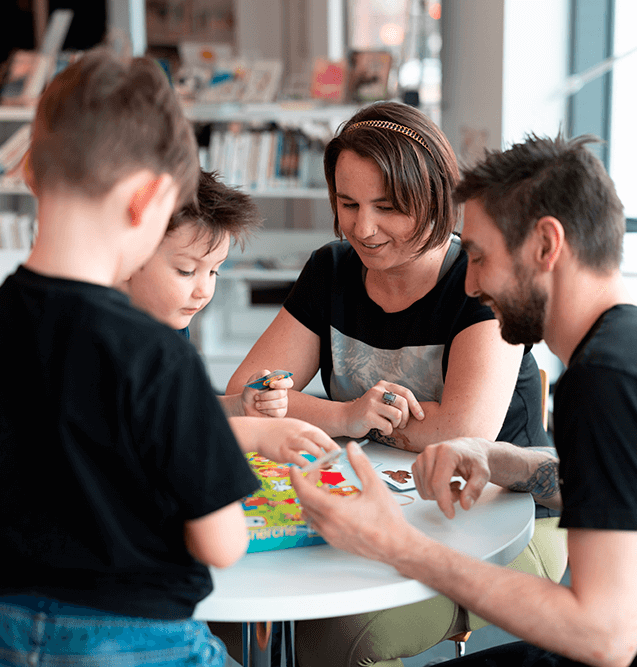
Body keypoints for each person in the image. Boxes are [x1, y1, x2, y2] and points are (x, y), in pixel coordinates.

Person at [290, 133, 637, 667]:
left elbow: (604, 636)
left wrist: (398, 544)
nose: (469, 285)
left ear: (545, 246)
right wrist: (505, 460)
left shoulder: (607, 378)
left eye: (481, 258)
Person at [0, 49, 308, 667]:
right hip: (143, 642)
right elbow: (222, 543)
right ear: (149, 200)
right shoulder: (157, 355)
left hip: (6, 634)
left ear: (29, 172)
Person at [226, 101, 567, 667]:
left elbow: (461, 436)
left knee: (334, 637)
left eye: (388, 207)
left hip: (504, 520)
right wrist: (343, 417)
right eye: (348, 203)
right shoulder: (331, 269)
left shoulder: (478, 279)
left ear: (435, 200)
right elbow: (252, 397)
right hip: (373, 502)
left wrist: (301, 409)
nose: (363, 228)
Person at [122, 169, 338, 459]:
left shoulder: (168, 322)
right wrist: (254, 435)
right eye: (186, 271)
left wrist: (239, 405)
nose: (204, 290)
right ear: (129, 255)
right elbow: (148, 431)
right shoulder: (110, 338)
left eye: (213, 271)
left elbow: (180, 407)